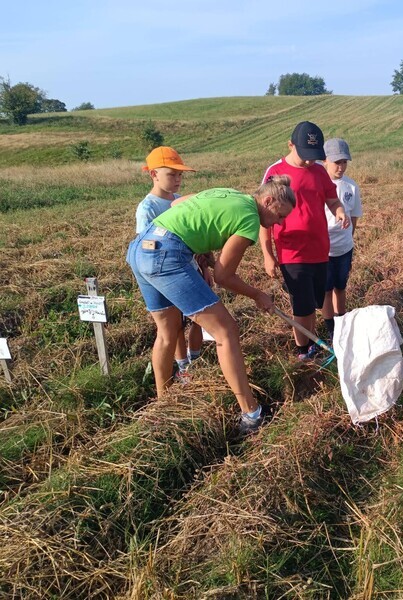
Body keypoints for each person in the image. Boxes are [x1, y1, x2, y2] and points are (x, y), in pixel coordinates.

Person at [126, 181, 296, 435]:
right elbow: (223, 277)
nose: (279, 223)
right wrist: (258, 294)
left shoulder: (230, 193)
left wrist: (201, 248)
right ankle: (252, 414)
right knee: (226, 332)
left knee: (167, 331)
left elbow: (178, 204)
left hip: (141, 248)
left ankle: (164, 404)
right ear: (268, 201)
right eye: (280, 216)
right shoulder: (250, 218)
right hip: (167, 257)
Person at [259, 122, 350, 360]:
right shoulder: (275, 172)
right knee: (302, 305)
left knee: (317, 302)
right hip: (292, 251)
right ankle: (303, 352)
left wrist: (339, 210)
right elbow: (263, 216)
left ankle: (311, 344)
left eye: (315, 156)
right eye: (306, 156)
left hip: (320, 249)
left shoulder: (320, 171)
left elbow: (332, 199)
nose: (310, 161)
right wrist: (268, 255)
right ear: (290, 145)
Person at [135, 146, 203, 383]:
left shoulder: (180, 201)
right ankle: (183, 366)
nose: (177, 180)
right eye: (171, 174)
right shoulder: (148, 208)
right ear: (153, 174)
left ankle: (195, 361)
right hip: (166, 274)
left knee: (197, 318)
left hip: (190, 268)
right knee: (173, 327)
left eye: (180, 175)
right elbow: (146, 247)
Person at [320, 137, 363, 341]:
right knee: (326, 289)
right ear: (324, 161)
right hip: (323, 250)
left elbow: (354, 215)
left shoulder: (351, 186)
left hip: (344, 248)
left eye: (344, 162)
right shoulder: (319, 186)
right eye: (337, 162)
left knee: (341, 286)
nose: (341, 166)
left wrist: (348, 237)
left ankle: (341, 320)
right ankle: (330, 327)